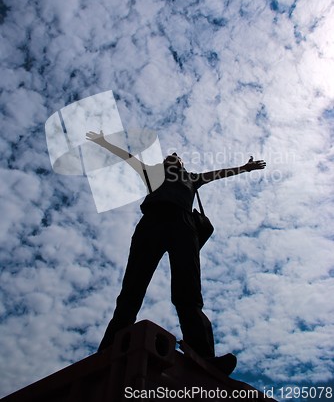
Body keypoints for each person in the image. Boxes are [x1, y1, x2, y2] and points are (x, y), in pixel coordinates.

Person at [86, 131, 266, 374]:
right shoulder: (152, 173)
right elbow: (127, 158)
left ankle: (203, 356)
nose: (173, 156)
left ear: (182, 164)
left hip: (183, 226)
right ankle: (109, 349)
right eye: (169, 156)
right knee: (132, 290)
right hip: (152, 222)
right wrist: (103, 142)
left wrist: (245, 168)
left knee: (189, 293)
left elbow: (219, 174)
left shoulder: (191, 178)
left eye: (177, 157)